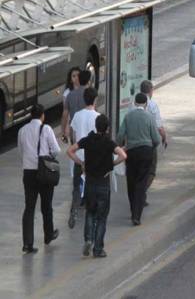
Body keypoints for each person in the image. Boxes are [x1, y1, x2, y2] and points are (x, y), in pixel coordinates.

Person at [67, 115, 126, 258]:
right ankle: (98, 249)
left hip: (90, 183)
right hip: (103, 184)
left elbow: (69, 151)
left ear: (96, 125)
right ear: (107, 128)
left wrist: (81, 162)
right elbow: (123, 155)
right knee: (101, 217)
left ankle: (88, 239)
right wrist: (111, 165)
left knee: (90, 213)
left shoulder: (87, 140)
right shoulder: (109, 143)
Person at [18, 104, 60, 254]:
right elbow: (56, 150)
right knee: (46, 205)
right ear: (42, 115)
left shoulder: (22, 131)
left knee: (29, 207)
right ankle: (48, 235)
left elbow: (21, 151)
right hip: (44, 171)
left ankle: (27, 244)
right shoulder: (47, 129)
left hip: (28, 172)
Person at [117, 93, 161, 226]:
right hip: (146, 152)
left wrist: (121, 147)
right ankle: (137, 215)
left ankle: (132, 210)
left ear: (135, 103)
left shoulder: (128, 116)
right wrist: (151, 147)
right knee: (141, 183)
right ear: (146, 104)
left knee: (131, 181)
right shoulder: (149, 117)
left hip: (131, 152)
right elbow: (156, 139)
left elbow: (120, 136)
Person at [67, 87, 100, 229]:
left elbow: (74, 137)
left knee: (77, 185)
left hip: (79, 158)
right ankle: (88, 211)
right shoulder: (98, 117)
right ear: (95, 99)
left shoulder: (77, 116)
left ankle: (74, 207)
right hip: (92, 160)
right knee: (91, 187)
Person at [139, 80, 167, 204]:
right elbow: (159, 127)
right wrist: (164, 137)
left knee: (138, 170)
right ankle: (141, 191)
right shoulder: (152, 105)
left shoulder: (132, 104)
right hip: (149, 144)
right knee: (151, 170)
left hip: (135, 143)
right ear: (151, 91)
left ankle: (139, 192)